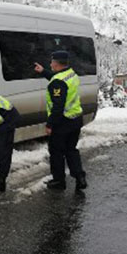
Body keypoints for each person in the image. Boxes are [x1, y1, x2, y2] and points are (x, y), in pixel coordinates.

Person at [34, 51, 88, 192]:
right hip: (75, 119)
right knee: (71, 150)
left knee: (56, 152)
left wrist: (50, 124)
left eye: (51, 62)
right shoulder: (71, 74)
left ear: (56, 63)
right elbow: (58, 80)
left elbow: (58, 106)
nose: (50, 63)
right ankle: (80, 177)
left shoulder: (58, 82)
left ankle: (59, 181)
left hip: (62, 122)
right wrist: (43, 72)